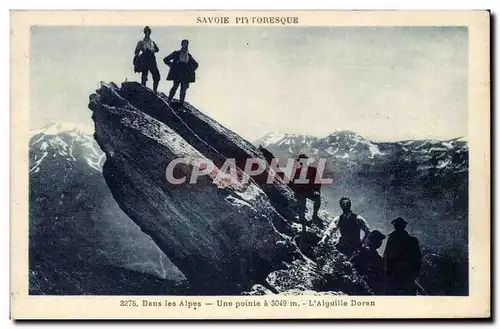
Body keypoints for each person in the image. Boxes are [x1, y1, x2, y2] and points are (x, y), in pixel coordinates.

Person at [383, 217, 422, 295]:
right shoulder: (393, 239)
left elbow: (417, 260)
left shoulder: (411, 241)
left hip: (402, 277)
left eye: (397, 225)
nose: (396, 227)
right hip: (397, 277)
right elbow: (386, 257)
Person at [288, 154, 323, 240]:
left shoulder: (313, 170)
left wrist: (316, 191)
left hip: (311, 191)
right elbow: (294, 182)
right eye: (301, 161)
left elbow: (318, 182)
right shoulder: (298, 171)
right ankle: (302, 219)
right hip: (301, 192)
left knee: (317, 199)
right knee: (301, 203)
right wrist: (292, 187)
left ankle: (314, 215)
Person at [164, 39, 199, 108]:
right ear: (182, 45)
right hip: (177, 73)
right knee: (174, 88)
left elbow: (196, 64)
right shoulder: (176, 53)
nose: (185, 46)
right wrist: (172, 66)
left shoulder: (189, 55)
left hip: (185, 75)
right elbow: (166, 59)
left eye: (187, 44)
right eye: (184, 44)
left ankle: (181, 105)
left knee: (183, 90)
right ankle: (168, 101)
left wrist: (190, 70)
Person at [351, 230, 386, 295]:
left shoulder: (363, 251)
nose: (380, 242)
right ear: (374, 241)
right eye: (379, 240)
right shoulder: (366, 253)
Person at [134, 26, 161, 93]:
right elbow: (136, 52)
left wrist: (152, 49)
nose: (148, 33)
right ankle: (143, 90)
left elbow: (157, 49)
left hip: (151, 59)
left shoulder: (152, 42)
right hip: (144, 59)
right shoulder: (141, 42)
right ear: (145, 33)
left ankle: (155, 90)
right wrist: (140, 51)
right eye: (146, 32)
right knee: (144, 75)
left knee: (156, 76)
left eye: (149, 32)